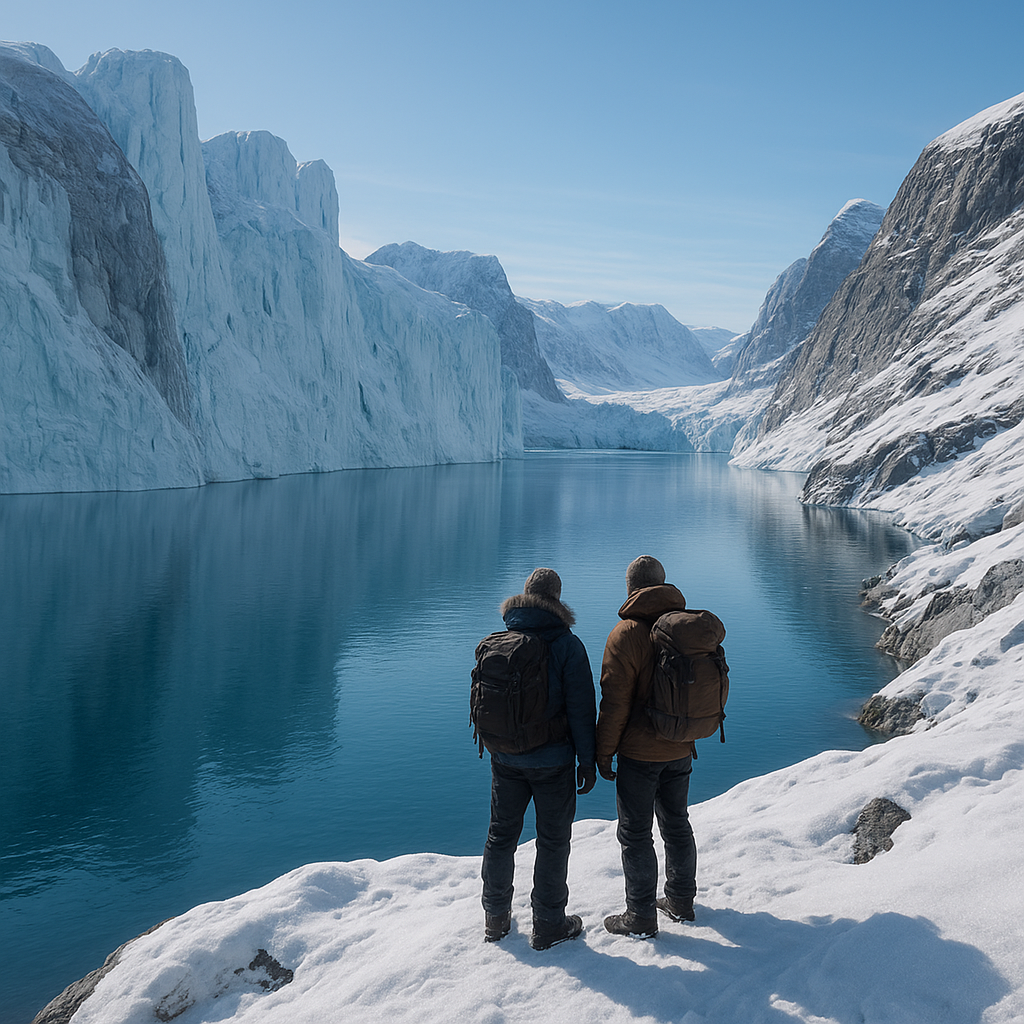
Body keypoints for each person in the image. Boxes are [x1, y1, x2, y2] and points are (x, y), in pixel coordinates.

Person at [480, 567, 597, 950]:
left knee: (501, 837)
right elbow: (581, 709)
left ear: (525, 596)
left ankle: (495, 919)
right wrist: (587, 760)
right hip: (553, 762)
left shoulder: (501, 640)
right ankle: (548, 924)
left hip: (506, 758)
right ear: (557, 601)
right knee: (552, 841)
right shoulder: (567, 645)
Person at [597, 555, 701, 938]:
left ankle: (639, 916)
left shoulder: (626, 634)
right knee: (677, 825)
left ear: (630, 588)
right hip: (680, 747)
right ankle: (681, 900)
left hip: (639, 755)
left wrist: (603, 753)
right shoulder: (685, 629)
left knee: (636, 834)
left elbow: (614, 704)